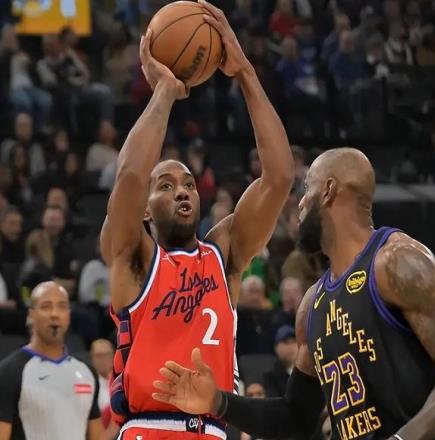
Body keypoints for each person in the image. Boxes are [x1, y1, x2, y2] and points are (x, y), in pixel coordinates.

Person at [152, 147, 435, 439]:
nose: (299, 203)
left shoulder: (395, 261)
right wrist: (218, 402)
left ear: (328, 191)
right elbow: (295, 417)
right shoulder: (312, 305)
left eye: (307, 188)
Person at [100, 1, 294, 439]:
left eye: (188, 183)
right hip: (149, 427)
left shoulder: (223, 254)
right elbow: (130, 176)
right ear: (145, 209)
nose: (182, 191)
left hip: (214, 429)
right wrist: (165, 92)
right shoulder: (133, 259)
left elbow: (280, 177)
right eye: (166, 186)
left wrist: (245, 72)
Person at [0, 281, 102, 440]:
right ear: (31, 315)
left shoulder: (86, 372)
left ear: (69, 315)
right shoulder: (9, 372)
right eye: (46, 307)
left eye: (62, 306)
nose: (55, 314)